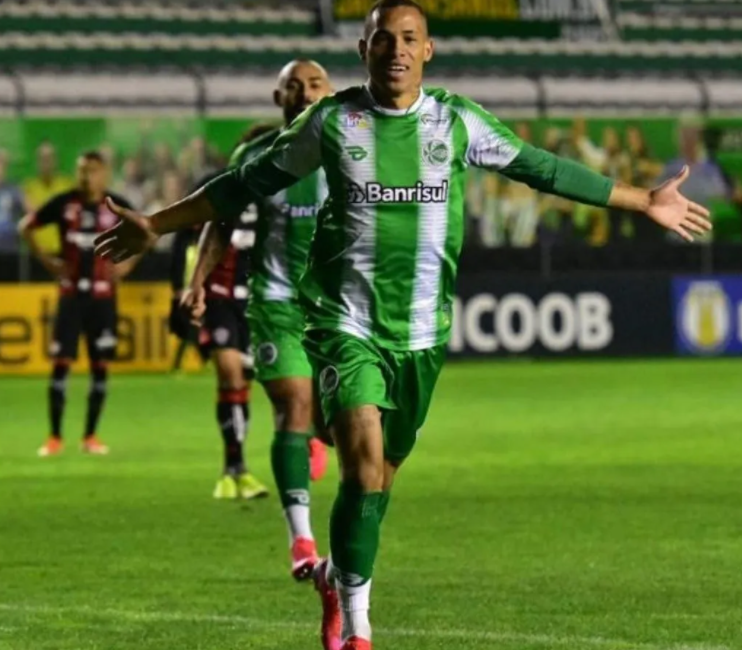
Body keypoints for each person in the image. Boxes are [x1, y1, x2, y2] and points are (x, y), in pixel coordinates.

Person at [95, 1, 711, 647]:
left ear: (428, 50)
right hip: (345, 322)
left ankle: (338, 574)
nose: (395, 50)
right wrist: (156, 224)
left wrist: (642, 199)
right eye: (382, 39)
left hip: (420, 333)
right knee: (360, 463)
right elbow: (240, 184)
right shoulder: (332, 122)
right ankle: (359, 628)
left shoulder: (457, 121)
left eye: (408, 39)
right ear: (363, 51)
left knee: (379, 480)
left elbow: (543, 168)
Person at [182, 60, 333, 581]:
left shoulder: (357, 150)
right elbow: (219, 221)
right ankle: (302, 540)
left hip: (340, 307)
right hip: (275, 302)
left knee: (345, 423)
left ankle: (318, 429)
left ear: (330, 93)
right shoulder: (256, 155)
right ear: (279, 97)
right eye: (294, 86)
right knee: (292, 401)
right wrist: (198, 279)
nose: (305, 93)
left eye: (315, 84)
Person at [19, 151, 142, 457]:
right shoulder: (64, 203)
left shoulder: (115, 204)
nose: (87, 177)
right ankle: (54, 437)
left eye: (93, 171)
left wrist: (127, 266)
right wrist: (48, 261)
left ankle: (90, 436)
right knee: (61, 365)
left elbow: (146, 231)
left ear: (105, 174)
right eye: (82, 171)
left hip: (103, 299)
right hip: (71, 296)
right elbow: (26, 227)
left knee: (100, 367)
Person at [170, 139, 270, 501]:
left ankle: (245, 465)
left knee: (250, 380)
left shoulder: (276, 193)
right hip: (218, 298)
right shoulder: (217, 190)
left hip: (261, 300)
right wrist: (182, 290)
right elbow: (186, 240)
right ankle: (234, 466)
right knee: (229, 371)